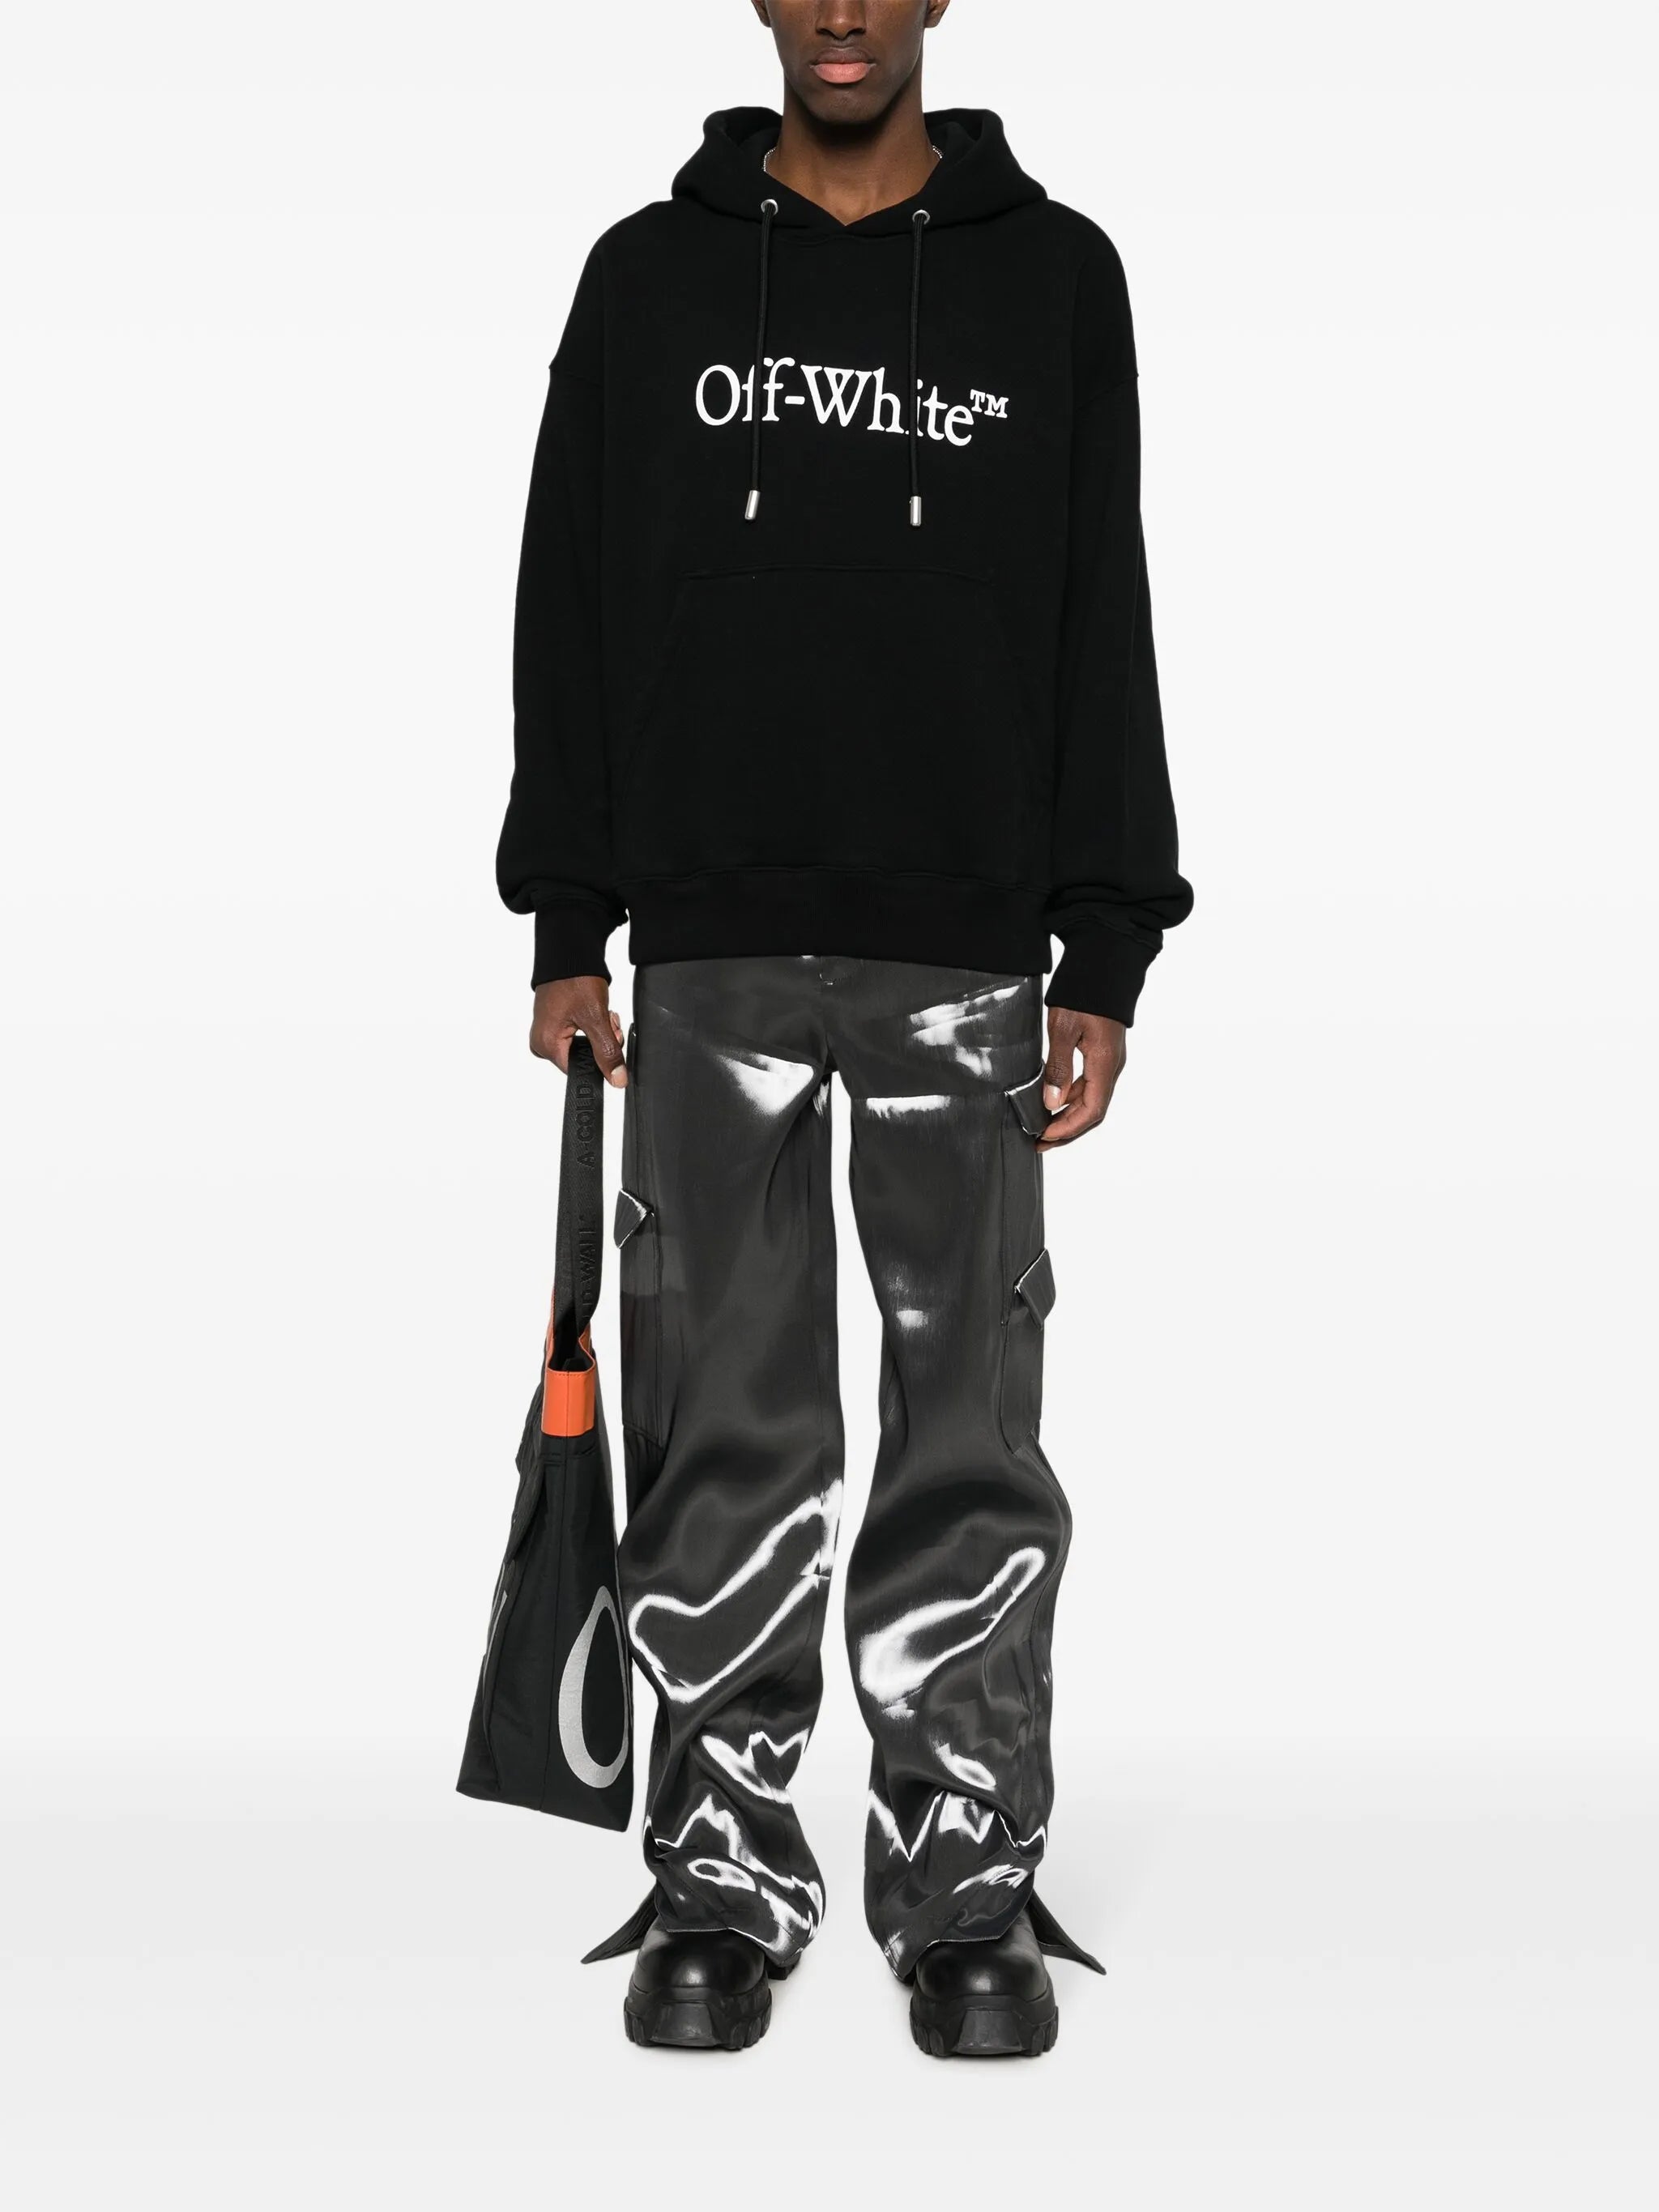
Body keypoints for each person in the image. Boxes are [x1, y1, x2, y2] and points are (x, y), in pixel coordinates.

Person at [497, 0, 1192, 2057]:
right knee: (727, 1419)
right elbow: (566, 596)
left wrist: (1104, 942)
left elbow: (1099, 603)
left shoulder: (1054, 277)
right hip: (705, 951)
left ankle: (964, 1878)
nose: (844, 10)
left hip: (963, 949)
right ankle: (720, 1873)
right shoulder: (649, 276)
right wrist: (568, 920)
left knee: (967, 1428)